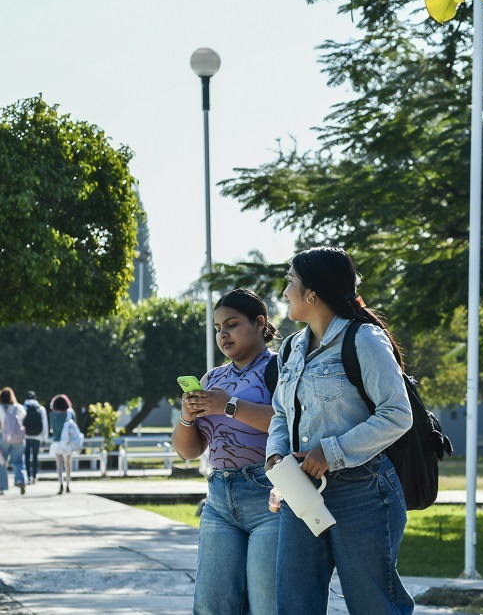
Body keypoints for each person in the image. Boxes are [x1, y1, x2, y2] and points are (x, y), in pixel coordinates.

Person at [265, 247, 413, 615]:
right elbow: (281, 412)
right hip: (300, 491)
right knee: (295, 605)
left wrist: (329, 452)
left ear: (312, 293)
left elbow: (397, 414)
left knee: (373, 605)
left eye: (291, 282)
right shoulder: (290, 348)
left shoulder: (364, 338)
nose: (285, 292)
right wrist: (276, 455)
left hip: (364, 492)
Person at [173, 288, 280, 615]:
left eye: (231, 324)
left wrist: (228, 405)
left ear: (259, 322)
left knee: (266, 605)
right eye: (218, 328)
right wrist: (187, 417)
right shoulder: (212, 378)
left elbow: (288, 423)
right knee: (211, 605)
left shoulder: (279, 369)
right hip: (219, 498)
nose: (223, 334)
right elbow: (188, 452)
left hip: (269, 497)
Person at [0, 387, 28, 496]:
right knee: (18, 461)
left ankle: (1, 487)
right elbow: (23, 418)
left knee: (1, 462)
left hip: (4, 437)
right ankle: (20, 480)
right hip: (19, 438)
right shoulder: (19, 408)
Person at [47, 394, 78, 495]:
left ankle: (60, 484)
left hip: (57, 441)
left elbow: (52, 429)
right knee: (68, 464)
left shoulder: (53, 415)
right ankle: (68, 485)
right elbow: (74, 427)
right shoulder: (70, 413)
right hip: (68, 442)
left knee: (59, 465)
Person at [21, 391, 48, 485]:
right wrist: (45, 438)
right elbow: (45, 424)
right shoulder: (41, 409)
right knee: (35, 457)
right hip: (38, 436)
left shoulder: (23, 408)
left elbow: (20, 423)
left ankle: (28, 476)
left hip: (26, 436)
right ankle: (34, 476)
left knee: (27, 457)